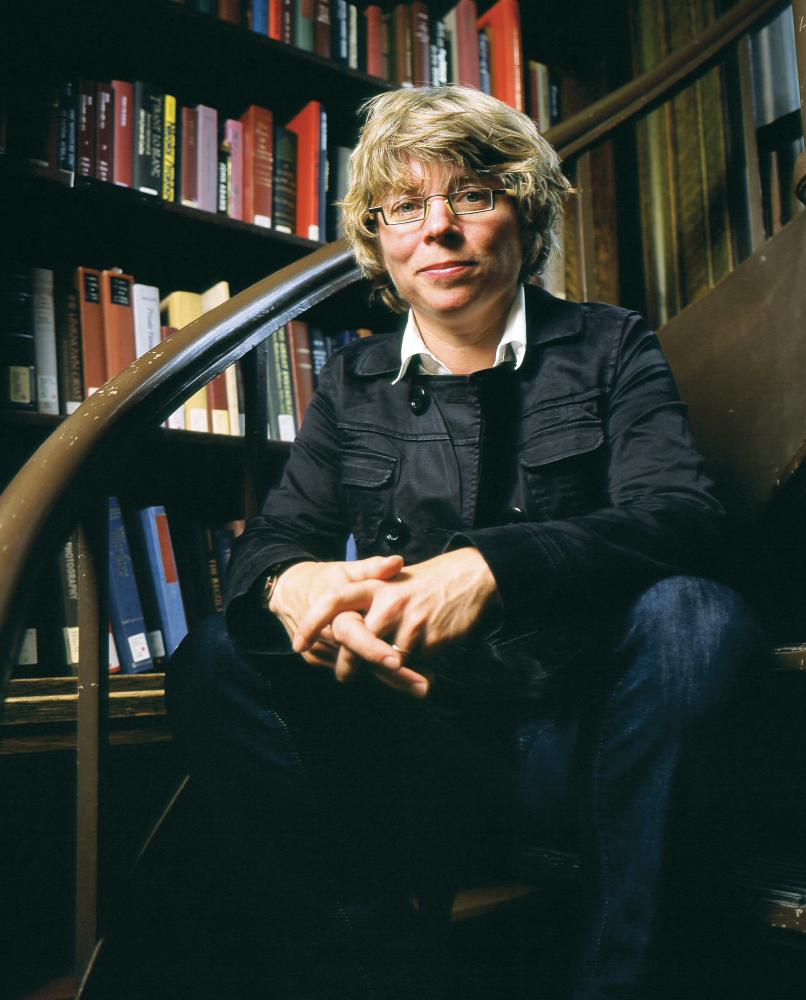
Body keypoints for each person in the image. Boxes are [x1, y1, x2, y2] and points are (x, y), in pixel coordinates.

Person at [167, 85, 757, 1000]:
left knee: (697, 613)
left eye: (472, 196)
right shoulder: (352, 380)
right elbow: (278, 536)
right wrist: (287, 583)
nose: (436, 229)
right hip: (416, 747)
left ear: (524, 214)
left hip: (583, 735)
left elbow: (682, 513)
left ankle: (624, 982)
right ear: (381, 243)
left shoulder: (611, 345)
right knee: (217, 651)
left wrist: (490, 567)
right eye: (405, 207)